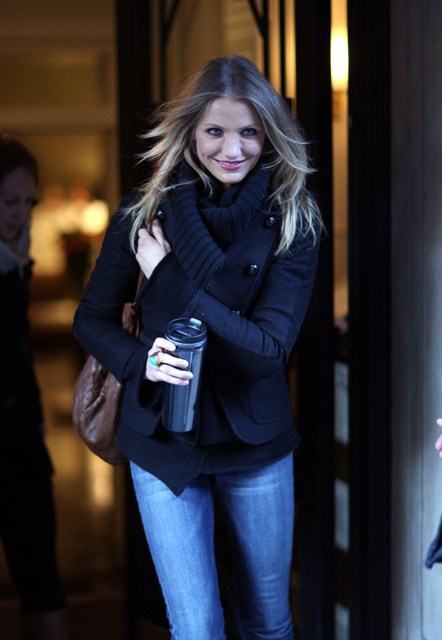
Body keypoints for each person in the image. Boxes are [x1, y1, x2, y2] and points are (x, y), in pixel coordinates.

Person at [74, 55, 322, 640]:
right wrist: (142, 362)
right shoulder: (142, 213)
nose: (232, 149)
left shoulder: (293, 220)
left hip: (255, 442)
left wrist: (169, 279)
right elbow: (91, 320)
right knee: (196, 628)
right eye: (215, 130)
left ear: (269, 133)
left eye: (249, 132)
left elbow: (266, 352)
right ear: (189, 131)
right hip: (163, 441)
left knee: (268, 622)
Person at [0, 135, 68, 639]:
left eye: (28, 202)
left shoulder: (14, 262)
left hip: (22, 444)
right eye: (9, 201)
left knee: (42, 577)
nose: (20, 213)